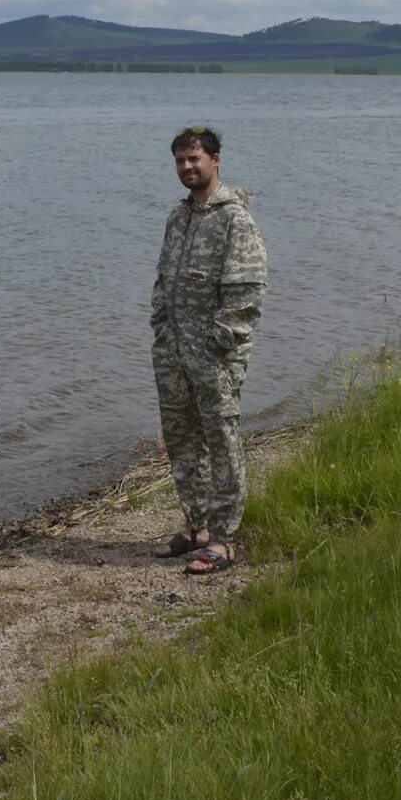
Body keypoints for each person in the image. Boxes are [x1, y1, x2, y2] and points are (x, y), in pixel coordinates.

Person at [149, 125, 267, 574]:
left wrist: (218, 346)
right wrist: (161, 331)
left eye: (194, 159)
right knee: (182, 441)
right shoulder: (179, 217)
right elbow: (163, 283)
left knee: (220, 440)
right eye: (180, 160)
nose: (186, 167)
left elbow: (247, 295)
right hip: (173, 353)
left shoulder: (234, 219)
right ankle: (196, 526)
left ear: (215, 160)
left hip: (215, 357)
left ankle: (222, 539)